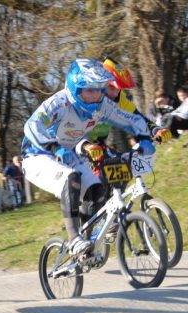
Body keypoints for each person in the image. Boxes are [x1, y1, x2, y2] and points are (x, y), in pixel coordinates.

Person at [21, 59, 162, 257]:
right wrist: (53, 146)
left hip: (67, 154)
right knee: (71, 179)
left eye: (99, 89)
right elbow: (33, 125)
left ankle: (88, 243)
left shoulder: (101, 104)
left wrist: (143, 138)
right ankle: (74, 239)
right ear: (75, 88)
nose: (96, 95)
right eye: (89, 90)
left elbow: (131, 119)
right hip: (37, 155)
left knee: (96, 189)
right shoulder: (59, 103)